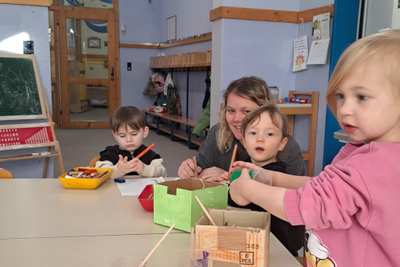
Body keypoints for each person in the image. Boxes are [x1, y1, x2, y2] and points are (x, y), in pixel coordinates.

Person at [230, 30, 400, 266]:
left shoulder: (377, 163)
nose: (345, 109)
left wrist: (247, 189)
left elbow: (308, 205)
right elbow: (327, 188)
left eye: (361, 97)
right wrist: (273, 177)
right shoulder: (366, 150)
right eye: (340, 95)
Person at [178, 76, 305, 181]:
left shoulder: (288, 148)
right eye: (231, 110)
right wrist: (190, 170)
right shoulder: (218, 133)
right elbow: (201, 171)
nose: (236, 119)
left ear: (265, 111)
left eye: (246, 111)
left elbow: (294, 197)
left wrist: (232, 178)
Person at [227, 103, 304, 256]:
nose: (260, 139)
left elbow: (237, 200)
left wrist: (231, 188)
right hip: (255, 250)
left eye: (269, 134)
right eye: (253, 133)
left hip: (278, 253)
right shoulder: (246, 170)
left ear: (282, 143)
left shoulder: (276, 175)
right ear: (243, 140)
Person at [95, 106, 167, 179]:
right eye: (122, 136)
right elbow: (100, 173)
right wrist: (118, 170)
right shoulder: (110, 153)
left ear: (145, 132)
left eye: (134, 134)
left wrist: (145, 169)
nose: (128, 139)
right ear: (115, 135)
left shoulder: (149, 155)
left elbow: (163, 173)